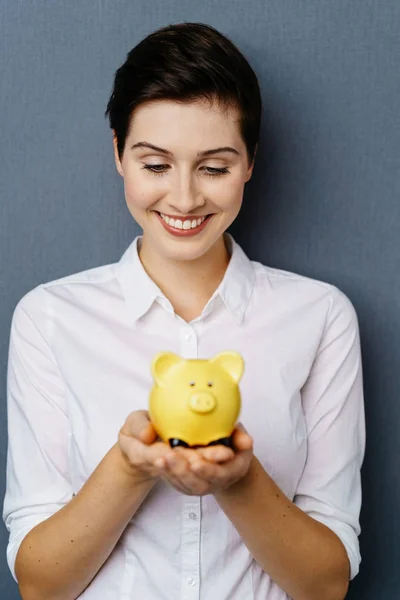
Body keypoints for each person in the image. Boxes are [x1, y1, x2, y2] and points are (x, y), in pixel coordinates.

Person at [2, 22, 365, 600]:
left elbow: (325, 584)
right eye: (155, 164)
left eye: (215, 167)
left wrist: (238, 480)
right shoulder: (50, 318)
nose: (185, 198)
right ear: (119, 154)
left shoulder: (321, 317)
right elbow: (41, 583)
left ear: (250, 164)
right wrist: (131, 467)